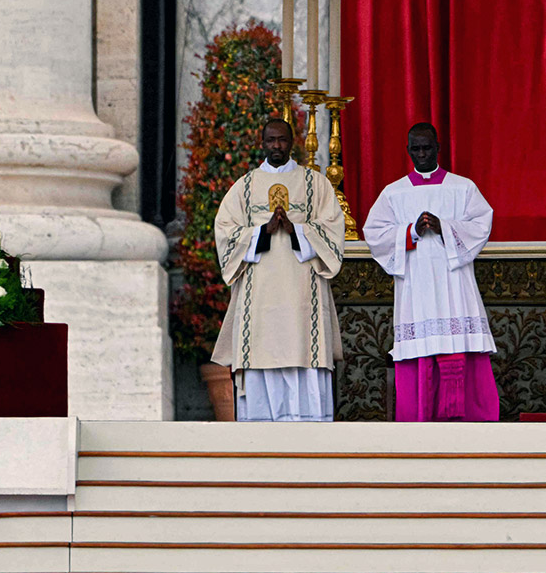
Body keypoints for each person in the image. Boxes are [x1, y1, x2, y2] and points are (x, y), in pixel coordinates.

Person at [363, 123, 499, 421]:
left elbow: (481, 224)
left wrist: (445, 228)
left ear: (438, 147)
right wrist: (410, 231)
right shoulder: (394, 193)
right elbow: (374, 234)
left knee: (459, 349)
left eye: (427, 147)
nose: (422, 154)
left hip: (455, 286)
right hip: (417, 288)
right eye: (415, 149)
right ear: (408, 150)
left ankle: (470, 422)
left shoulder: (462, 187)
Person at [212, 118, 345, 421]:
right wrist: (262, 232)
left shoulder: (315, 184)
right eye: (271, 140)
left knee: (304, 356)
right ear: (262, 143)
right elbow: (225, 231)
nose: (276, 146)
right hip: (259, 300)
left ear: (292, 142)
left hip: (302, 296)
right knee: (261, 356)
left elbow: (332, 229)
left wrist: (297, 230)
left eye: (282, 140)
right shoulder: (244, 188)